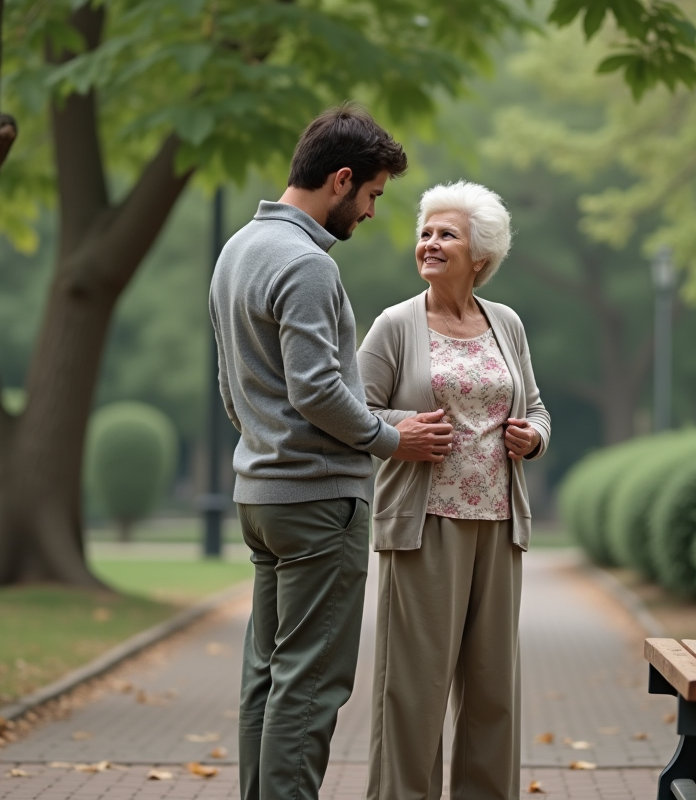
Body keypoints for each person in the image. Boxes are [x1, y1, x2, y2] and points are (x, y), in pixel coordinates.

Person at [208, 104, 456, 800]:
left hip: (260, 495)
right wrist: (391, 439)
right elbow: (317, 389)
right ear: (340, 180)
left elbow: (232, 386)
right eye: (372, 194)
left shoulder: (237, 250)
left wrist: (265, 441)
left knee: (268, 674)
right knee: (311, 684)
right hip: (318, 502)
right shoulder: (306, 264)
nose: (372, 212)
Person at [358, 180, 551, 800]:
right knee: (413, 692)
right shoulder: (395, 325)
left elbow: (537, 409)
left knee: (493, 694)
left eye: (447, 234)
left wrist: (533, 438)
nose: (430, 243)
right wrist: (403, 432)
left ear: (481, 256)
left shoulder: (506, 323)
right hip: (424, 526)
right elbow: (351, 413)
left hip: (499, 525)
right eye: (425, 233)